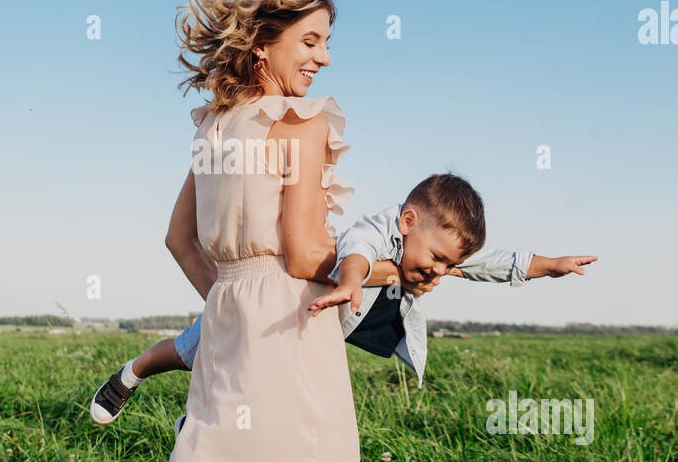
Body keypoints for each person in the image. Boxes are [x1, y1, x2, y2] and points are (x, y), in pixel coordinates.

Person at [123, 0, 361, 462]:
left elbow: (178, 240)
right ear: (263, 44)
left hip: (235, 310)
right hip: (292, 320)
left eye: (327, 43)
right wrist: (373, 267)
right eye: (310, 40)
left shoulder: (219, 129)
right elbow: (301, 252)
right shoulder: (301, 121)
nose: (322, 59)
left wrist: (228, 308)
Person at [92, 173, 596, 414]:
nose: (440, 271)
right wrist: (354, 280)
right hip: (271, 301)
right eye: (438, 258)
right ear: (407, 222)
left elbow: (493, 263)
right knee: (190, 351)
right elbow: (355, 248)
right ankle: (131, 373)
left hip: (302, 327)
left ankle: (203, 423)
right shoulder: (382, 231)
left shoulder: (427, 257)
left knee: (259, 380)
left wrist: (550, 265)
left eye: (448, 264)